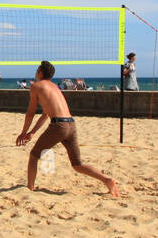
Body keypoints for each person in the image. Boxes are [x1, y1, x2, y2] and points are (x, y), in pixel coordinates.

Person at [16, 60, 117, 196]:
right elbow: (45, 115)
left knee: (34, 155)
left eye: (37, 69)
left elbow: (30, 113)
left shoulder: (36, 86)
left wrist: (23, 133)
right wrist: (32, 133)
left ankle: (30, 189)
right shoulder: (54, 87)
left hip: (58, 126)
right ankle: (107, 180)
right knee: (77, 164)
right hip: (71, 124)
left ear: (40, 72)